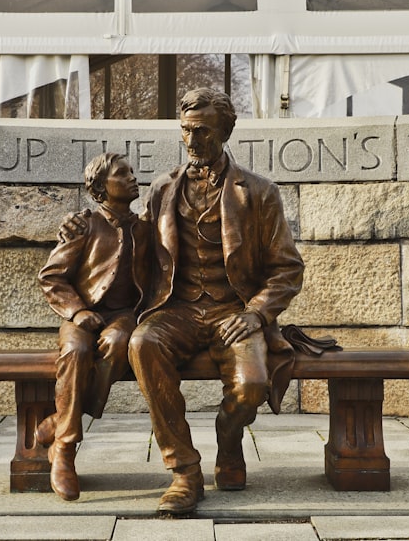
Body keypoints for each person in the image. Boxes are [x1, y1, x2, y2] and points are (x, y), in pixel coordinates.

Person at [129, 87, 304, 515]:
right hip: (179, 310)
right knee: (142, 343)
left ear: (225, 131)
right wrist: (93, 226)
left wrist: (256, 313)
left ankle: (229, 438)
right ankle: (185, 472)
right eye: (186, 131)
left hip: (234, 312)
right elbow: (133, 248)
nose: (192, 141)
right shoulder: (162, 188)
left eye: (203, 132)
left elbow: (288, 268)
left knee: (252, 388)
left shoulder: (259, 192)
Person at [37, 152, 149, 501]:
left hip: (124, 315)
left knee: (118, 343)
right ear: (101, 188)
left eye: (132, 172)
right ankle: (66, 452)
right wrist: (76, 311)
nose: (132, 177)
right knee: (75, 350)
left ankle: (59, 424)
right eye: (122, 174)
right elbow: (51, 276)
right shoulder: (84, 224)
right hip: (83, 314)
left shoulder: (146, 227)